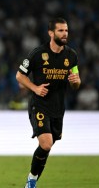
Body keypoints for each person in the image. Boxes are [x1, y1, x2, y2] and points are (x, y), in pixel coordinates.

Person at [16, 17, 81, 188]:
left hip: (58, 107)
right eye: (60, 30)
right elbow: (20, 76)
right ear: (51, 33)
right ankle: (31, 181)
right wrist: (35, 88)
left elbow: (76, 83)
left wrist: (75, 80)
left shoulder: (71, 56)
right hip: (40, 104)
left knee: (47, 147)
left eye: (66, 30)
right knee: (46, 143)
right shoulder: (38, 54)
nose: (65, 33)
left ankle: (33, 178)